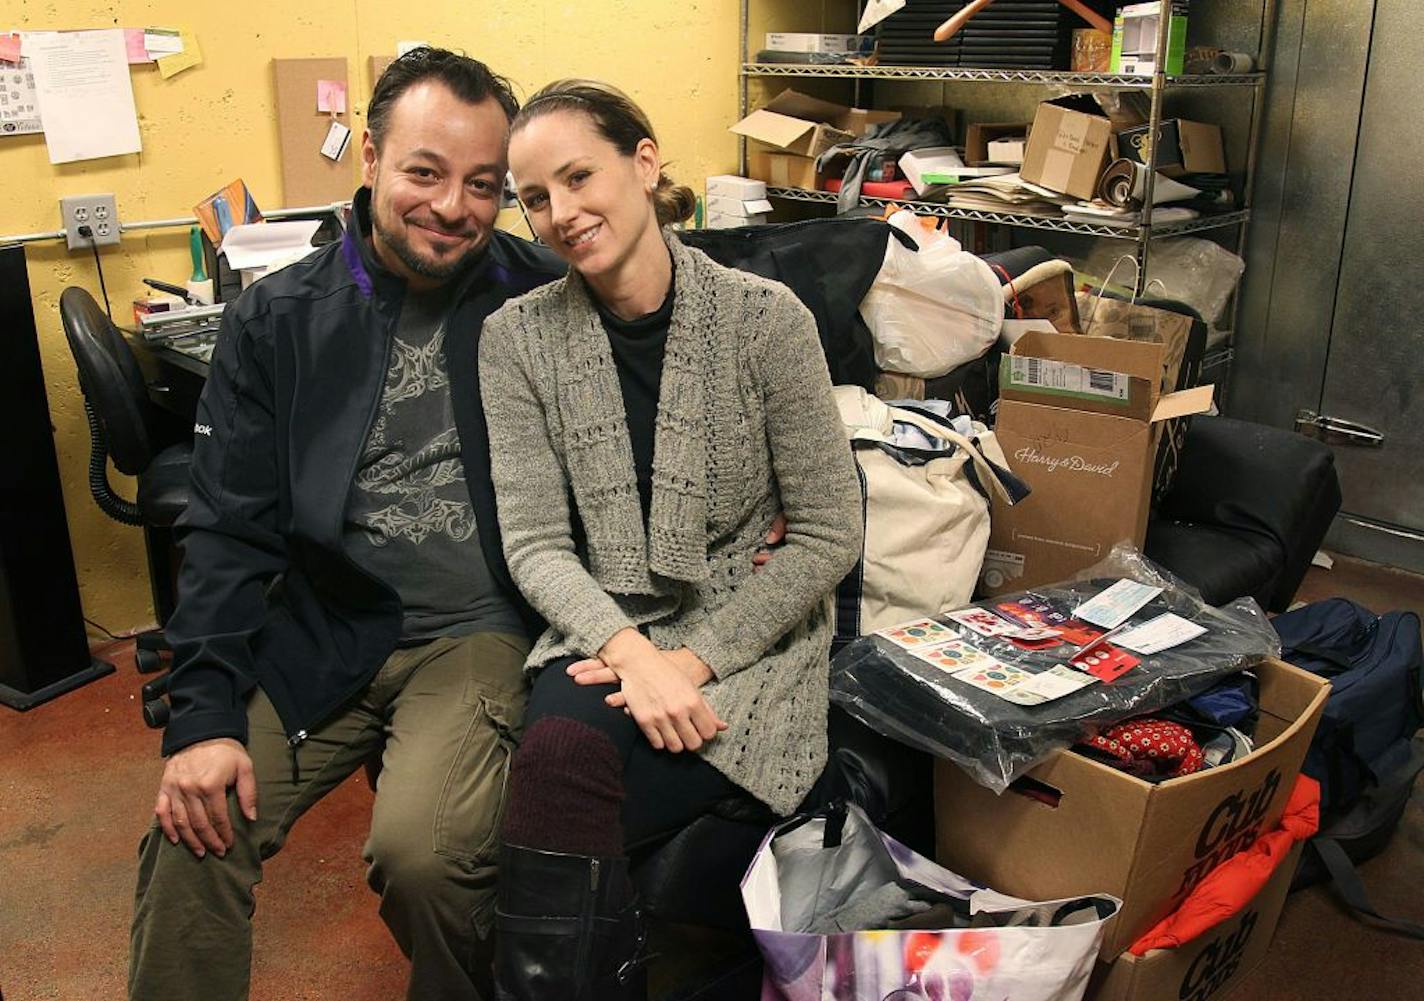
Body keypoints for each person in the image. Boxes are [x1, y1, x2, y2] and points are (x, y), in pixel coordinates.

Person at [127, 49, 567, 1001]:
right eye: (424, 171)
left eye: (483, 185)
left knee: (429, 855)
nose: (453, 206)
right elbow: (228, 529)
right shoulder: (279, 319)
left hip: (474, 633)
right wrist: (201, 717)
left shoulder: (542, 297)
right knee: (194, 829)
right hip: (321, 624)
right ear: (369, 157)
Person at [478, 79, 864, 1000]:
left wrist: (689, 661)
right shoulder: (516, 340)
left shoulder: (766, 321)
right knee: (559, 763)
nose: (562, 213)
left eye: (580, 176)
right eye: (535, 197)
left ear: (645, 164)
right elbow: (535, 543)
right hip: (605, 629)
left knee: (557, 805)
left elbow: (825, 530)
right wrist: (630, 651)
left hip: (750, 635)